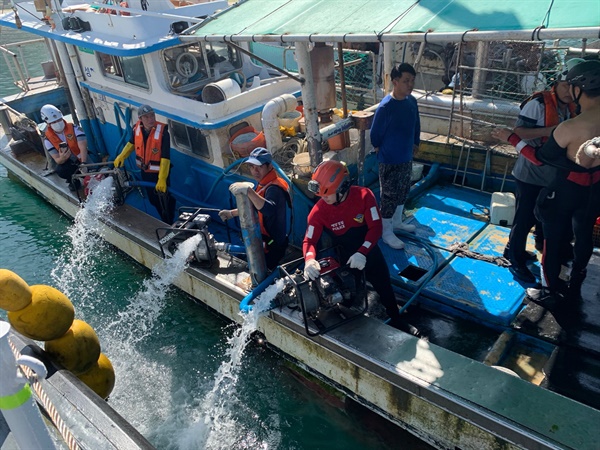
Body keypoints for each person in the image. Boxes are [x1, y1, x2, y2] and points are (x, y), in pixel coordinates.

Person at [494, 60, 600, 307]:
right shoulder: (539, 104)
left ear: (578, 89)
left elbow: (540, 159)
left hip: (565, 189)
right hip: (593, 190)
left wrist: (510, 138)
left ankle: (550, 290)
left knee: (551, 241)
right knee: (583, 236)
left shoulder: (571, 125)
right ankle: (575, 282)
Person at [302, 160, 420, 336]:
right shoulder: (319, 212)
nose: (323, 198)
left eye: (328, 194)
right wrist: (309, 260)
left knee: (384, 285)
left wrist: (363, 252)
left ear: (342, 188)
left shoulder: (364, 196)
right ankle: (350, 319)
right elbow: (309, 240)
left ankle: (396, 318)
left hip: (369, 252)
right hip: (345, 257)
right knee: (350, 292)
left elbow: (375, 227)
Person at [370, 63, 420, 250]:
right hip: (390, 158)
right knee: (389, 195)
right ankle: (387, 231)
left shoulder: (412, 102)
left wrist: (416, 142)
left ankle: (397, 222)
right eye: (406, 81)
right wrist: (378, 148)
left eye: (412, 81)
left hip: (406, 155)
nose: (410, 85)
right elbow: (375, 134)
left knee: (403, 190)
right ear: (395, 82)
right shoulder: (386, 107)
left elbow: (417, 124)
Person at [219, 147, 290, 270]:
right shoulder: (264, 183)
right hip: (265, 241)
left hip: (273, 246)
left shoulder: (274, 189)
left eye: (259, 167)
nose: (255, 171)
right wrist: (231, 213)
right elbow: (256, 206)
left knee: (265, 274)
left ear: (269, 167)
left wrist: (249, 191)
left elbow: (268, 209)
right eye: (252, 167)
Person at [113, 104, 175, 224]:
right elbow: (131, 143)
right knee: (153, 199)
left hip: (160, 172)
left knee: (164, 200)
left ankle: (169, 222)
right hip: (145, 171)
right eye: (146, 117)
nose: (151, 119)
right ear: (140, 119)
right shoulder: (136, 129)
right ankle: (165, 215)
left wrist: (162, 179)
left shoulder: (163, 132)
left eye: (152, 115)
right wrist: (121, 156)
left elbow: (165, 157)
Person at [40, 104, 89, 191]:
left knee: (94, 169)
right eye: (53, 122)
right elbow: (57, 160)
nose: (57, 123)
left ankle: (88, 174)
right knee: (61, 170)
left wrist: (84, 164)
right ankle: (73, 180)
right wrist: (62, 158)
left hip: (83, 158)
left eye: (59, 120)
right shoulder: (48, 140)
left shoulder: (75, 128)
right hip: (70, 162)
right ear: (48, 123)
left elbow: (83, 147)